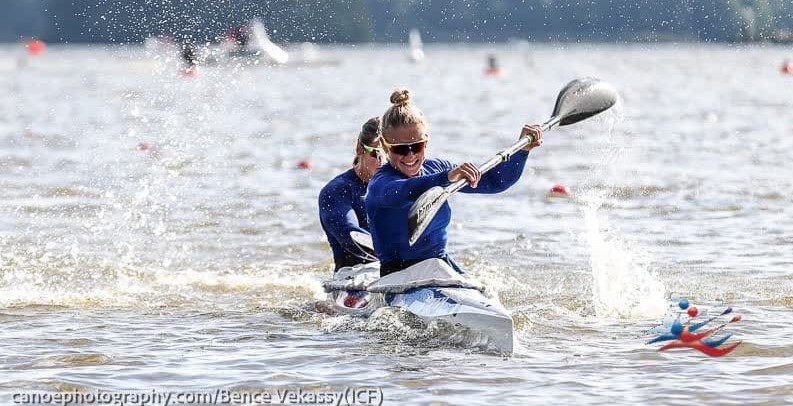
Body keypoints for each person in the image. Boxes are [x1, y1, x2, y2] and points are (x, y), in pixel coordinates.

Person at [365, 89, 543, 277]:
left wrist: (523, 150)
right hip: (397, 275)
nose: (410, 155)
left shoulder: (438, 168)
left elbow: (496, 182)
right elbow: (404, 191)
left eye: (417, 146)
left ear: (426, 142)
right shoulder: (381, 184)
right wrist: (446, 178)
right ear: (385, 146)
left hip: (441, 266)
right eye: (400, 149)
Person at [318, 117, 385, 271]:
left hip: (400, 272)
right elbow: (350, 234)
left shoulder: (403, 184)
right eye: (377, 154)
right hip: (355, 275)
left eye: (391, 152)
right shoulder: (336, 191)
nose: (384, 161)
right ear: (360, 148)